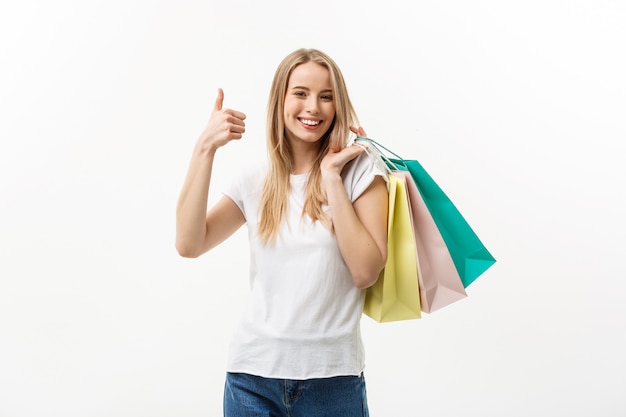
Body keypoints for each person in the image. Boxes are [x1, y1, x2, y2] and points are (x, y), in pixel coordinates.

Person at [175, 48, 389, 417]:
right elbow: (189, 243)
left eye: (326, 96)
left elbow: (365, 271)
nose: (314, 108)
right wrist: (204, 148)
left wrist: (332, 178)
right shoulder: (256, 180)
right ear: (281, 100)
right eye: (301, 93)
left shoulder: (361, 171)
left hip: (332, 381)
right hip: (251, 380)